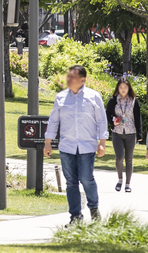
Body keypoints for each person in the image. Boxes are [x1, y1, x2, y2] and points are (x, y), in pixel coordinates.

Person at [43, 65, 108, 225]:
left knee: (86, 179)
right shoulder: (61, 97)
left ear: (82, 79)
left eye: (72, 77)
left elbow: (101, 120)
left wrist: (102, 143)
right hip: (67, 146)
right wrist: (48, 142)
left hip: (87, 146)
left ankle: (94, 210)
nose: (68, 79)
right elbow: (53, 121)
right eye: (68, 76)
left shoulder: (94, 96)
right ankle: (75, 216)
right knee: (71, 182)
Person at [105, 77, 143, 193]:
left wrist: (140, 132)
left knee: (129, 159)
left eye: (125, 88)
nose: (123, 90)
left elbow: (138, 117)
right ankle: (120, 179)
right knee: (119, 157)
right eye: (121, 88)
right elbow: (107, 114)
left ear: (128, 88)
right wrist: (112, 122)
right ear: (118, 88)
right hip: (117, 132)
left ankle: (128, 184)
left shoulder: (133, 100)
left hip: (130, 132)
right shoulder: (113, 100)